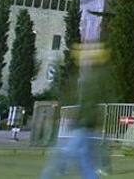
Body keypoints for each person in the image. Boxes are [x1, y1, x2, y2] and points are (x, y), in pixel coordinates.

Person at [40, 43, 116, 179]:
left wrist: (80, 121)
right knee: (85, 162)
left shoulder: (93, 77)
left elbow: (88, 103)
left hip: (85, 125)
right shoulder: (96, 74)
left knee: (64, 155)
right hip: (88, 125)